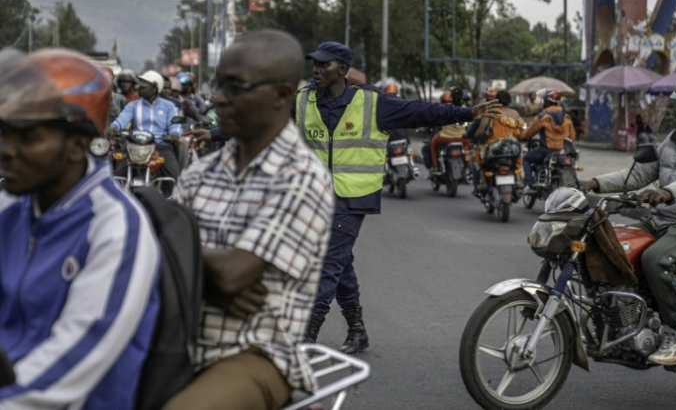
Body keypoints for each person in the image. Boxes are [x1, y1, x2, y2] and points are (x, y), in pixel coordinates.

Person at [163, 30, 334, 410]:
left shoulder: (301, 178)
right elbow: (149, 256)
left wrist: (185, 262)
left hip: (254, 355)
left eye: (236, 87)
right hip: (176, 341)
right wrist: (205, 275)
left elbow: (231, 274)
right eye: (219, 83)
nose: (218, 97)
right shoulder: (198, 174)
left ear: (281, 95)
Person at [296, 41, 499, 353]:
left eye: (324, 64)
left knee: (329, 262)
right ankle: (357, 331)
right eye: (316, 63)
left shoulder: (371, 101)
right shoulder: (303, 100)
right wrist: (215, 134)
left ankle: (307, 335)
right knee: (342, 263)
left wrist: (467, 113)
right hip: (318, 197)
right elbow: (262, 125)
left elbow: (420, 110)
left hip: (354, 196)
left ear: (342, 70)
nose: (317, 69)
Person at [0, 49, 160, 408]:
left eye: (26, 138)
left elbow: (66, 366)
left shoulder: (115, 229)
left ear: (75, 146)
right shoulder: (10, 208)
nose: (6, 151)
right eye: (3, 133)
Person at [579, 69, 676, 365]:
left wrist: (668, 193)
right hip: (662, 220)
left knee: (655, 260)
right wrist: (594, 183)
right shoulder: (674, 139)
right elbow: (639, 174)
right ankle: (622, 321)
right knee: (613, 245)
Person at [110, 70, 182, 181]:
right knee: (117, 177)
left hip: (160, 146)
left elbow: (174, 125)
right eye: (140, 86)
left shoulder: (169, 106)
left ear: (154, 88)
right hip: (134, 147)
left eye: (144, 87)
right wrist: (113, 128)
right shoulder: (133, 105)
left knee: (175, 178)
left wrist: (174, 135)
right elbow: (121, 120)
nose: (139, 88)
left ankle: (173, 196)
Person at [467, 89, 525, 195]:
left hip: (495, 147)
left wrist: (480, 137)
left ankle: (483, 182)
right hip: (514, 147)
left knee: (476, 156)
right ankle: (518, 180)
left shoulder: (492, 111)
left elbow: (480, 132)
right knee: (518, 160)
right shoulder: (515, 114)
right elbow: (521, 134)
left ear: (496, 100)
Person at [521, 89, 576, 189]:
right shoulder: (566, 117)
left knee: (526, 159)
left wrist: (522, 136)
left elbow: (527, 135)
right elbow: (572, 137)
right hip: (562, 153)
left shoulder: (542, 117)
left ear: (546, 102)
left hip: (546, 152)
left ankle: (530, 184)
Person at [430, 87, 474, 172]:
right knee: (472, 146)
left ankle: (435, 166)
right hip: (462, 139)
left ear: (451, 97)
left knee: (433, 143)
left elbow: (437, 122)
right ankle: (468, 164)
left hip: (445, 138)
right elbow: (471, 126)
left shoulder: (443, 109)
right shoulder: (466, 109)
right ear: (462, 98)